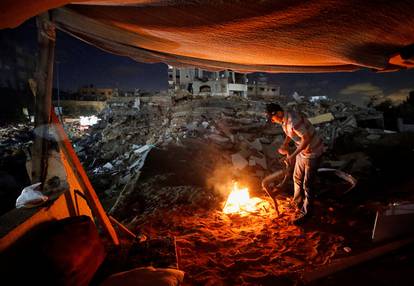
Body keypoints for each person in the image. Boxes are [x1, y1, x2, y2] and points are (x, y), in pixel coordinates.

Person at [264, 103, 324, 224]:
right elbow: (289, 133)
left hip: (313, 152)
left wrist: (292, 155)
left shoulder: (293, 121)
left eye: (272, 117)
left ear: (278, 113)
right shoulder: (284, 121)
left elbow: (306, 139)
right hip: (303, 152)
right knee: (297, 177)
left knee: (307, 184)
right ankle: (297, 202)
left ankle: (306, 213)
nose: (272, 120)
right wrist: (285, 144)